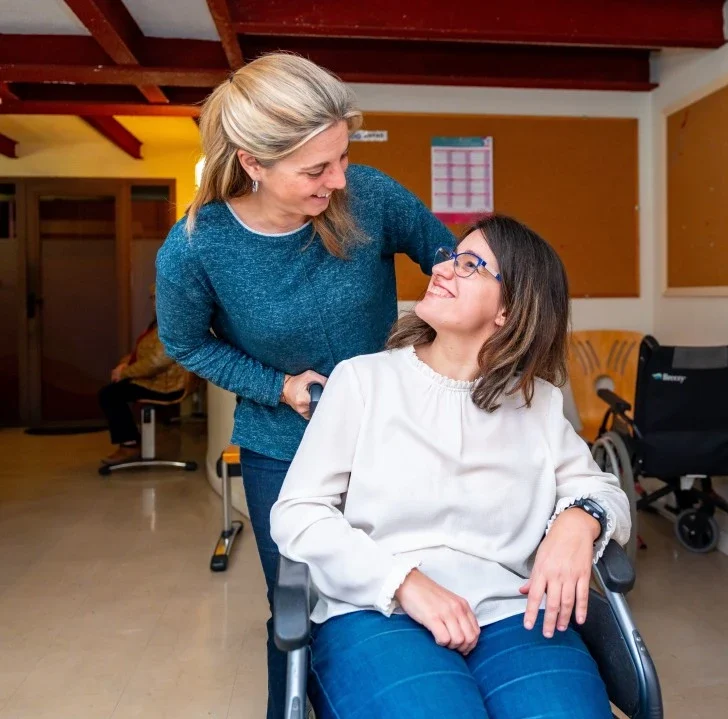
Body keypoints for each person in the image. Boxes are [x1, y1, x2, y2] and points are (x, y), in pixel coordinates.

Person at [154, 52, 454, 718]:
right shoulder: (195, 248)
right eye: (317, 168)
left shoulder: (366, 196)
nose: (338, 178)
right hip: (281, 446)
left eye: (341, 157)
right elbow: (185, 342)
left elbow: (451, 261)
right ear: (252, 163)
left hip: (392, 437)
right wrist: (276, 384)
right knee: (298, 603)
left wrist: (450, 343)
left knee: (397, 593)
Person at [270, 215, 632, 719]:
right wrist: (405, 582)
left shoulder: (538, 403)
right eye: (449, 257)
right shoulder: (363, 382)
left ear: (509, 310)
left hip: (513, 613)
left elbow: (603, 489)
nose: (442, 269)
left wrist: (580, 519)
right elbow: (297, 512)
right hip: (378, 609)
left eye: (470, 265)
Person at [98, 285, 186, 465]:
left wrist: (125, 373)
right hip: (156, 380)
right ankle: (130, 442)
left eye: (158, 297)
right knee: (112, 392)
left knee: (110, 395)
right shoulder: (160, 322)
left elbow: (157, 362)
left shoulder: (174, 324)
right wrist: (124, 364)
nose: (155, 302)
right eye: (152, 298)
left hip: (166, 385)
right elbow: (142, 352)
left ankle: (129, 444)